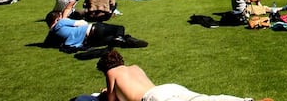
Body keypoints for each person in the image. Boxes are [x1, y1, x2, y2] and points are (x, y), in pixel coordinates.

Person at [94, 48, 267, 101]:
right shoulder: (135, 67)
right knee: (204, 98)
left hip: (153, 98)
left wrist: (104, 93)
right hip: (167, 88)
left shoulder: (111, 72)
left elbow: (112, 100)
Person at [43, 10, 145, 51]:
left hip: (88, 42)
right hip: (92, 29)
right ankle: (122, 39)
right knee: (120, 28)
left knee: (111, 39)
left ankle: (122, 40)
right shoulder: (61, 23)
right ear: (57, 19)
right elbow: (82, 23)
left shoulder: (52, 35)